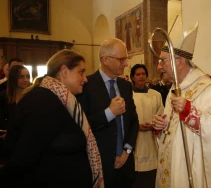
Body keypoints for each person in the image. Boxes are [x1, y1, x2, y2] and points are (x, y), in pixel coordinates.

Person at [0, 50, 104, 187]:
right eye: (81, 72)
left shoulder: (65, 101)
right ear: (64, 71)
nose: (85, 79)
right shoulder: (43, 101)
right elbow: (23, 158)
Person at [151, 22, 211, 188]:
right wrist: (161, 125)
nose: (159, 66)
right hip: (172, 167)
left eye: (163, 60)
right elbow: (171, 129)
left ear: (180, 61)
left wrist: (191, 113)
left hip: (190, 170)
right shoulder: (174, 90)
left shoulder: (207, 89)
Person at [77, 38, 139, 188]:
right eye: (121, 59)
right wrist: (109, 113)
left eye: (126, 59)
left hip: (125, 165)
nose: (126, 63)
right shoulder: (85, 86)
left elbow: (134, 121)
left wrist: (127, 150)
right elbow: (82, 125)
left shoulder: (125, 86)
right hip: (100, 165)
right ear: (106, 60)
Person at [130, 64, 163, 188]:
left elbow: (161, 114)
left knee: (151, 177)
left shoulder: (155, 94)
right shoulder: (128, 94)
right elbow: (125, 117)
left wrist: (154, 125)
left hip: (151, 140)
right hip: (135, 140)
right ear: (133, 77)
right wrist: (136, 126)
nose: (141, 76)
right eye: (138, 74)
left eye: (143, 74)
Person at [0, 65, 31, 137]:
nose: (26, 79)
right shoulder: (2, 97)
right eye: (21, 77)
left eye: (28, 76)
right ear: (13, 78)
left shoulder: (33, 95)